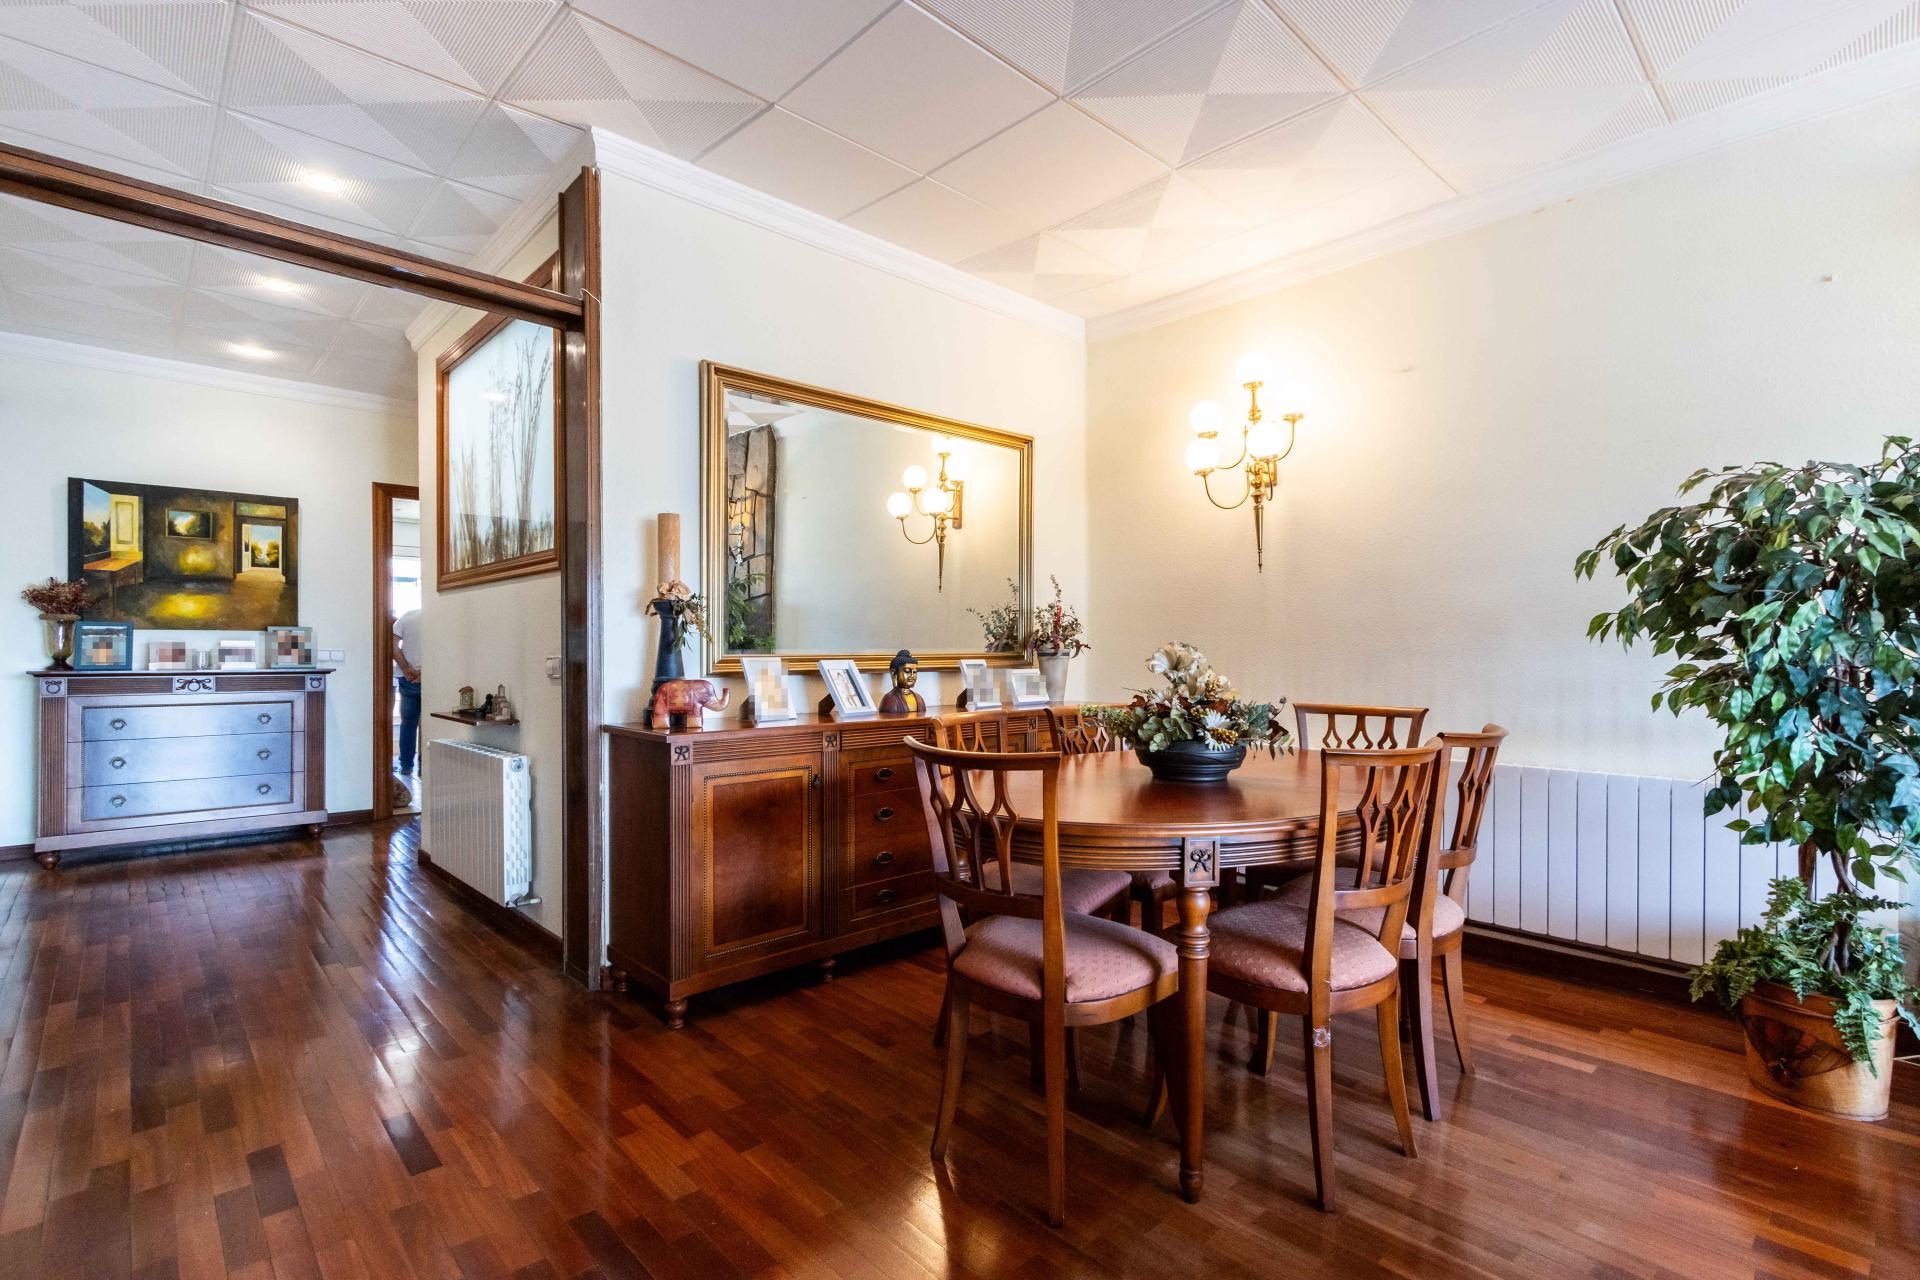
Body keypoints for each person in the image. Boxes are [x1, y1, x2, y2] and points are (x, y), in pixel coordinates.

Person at [393, 608, 422, 778]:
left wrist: (405, 668)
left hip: (407, 678)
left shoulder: (407, 617)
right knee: (432, 722)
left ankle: (406, 765)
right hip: (433, 679)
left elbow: (393, 646)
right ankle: (425, 766)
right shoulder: (440, 615)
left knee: (408, 723)